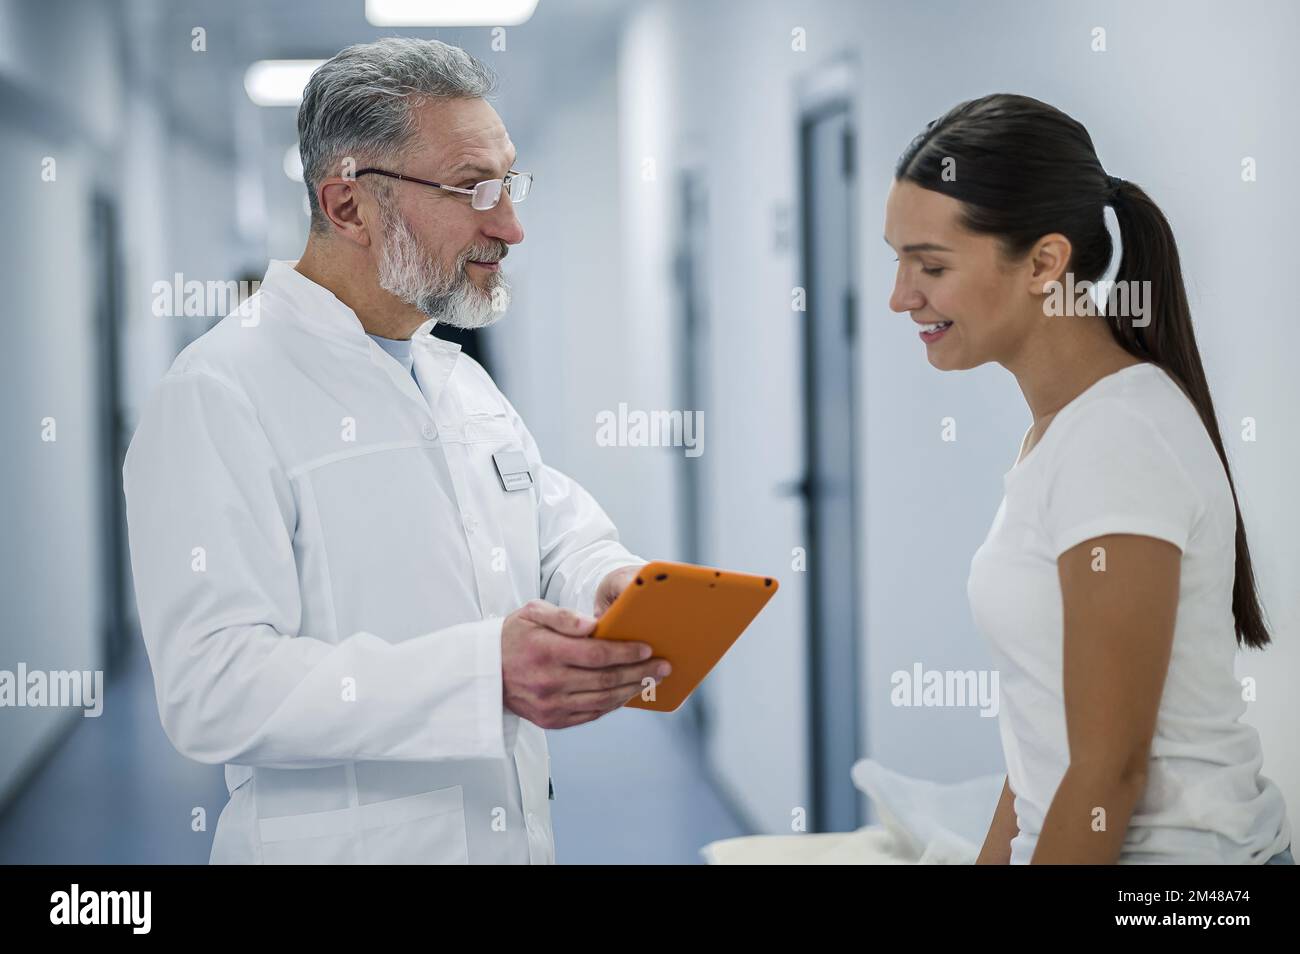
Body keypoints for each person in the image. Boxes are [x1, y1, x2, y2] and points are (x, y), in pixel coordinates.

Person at [122, 37, 670, 865]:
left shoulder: (454, 378)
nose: (511, 225)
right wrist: (481, 671)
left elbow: (554, 527)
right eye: (473, 189)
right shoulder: (218, 393)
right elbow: (211, 688)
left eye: (510, 182)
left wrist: (608, 580)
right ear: (348, 206)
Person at [884, 93, 1292, 864]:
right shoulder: (1067, 427)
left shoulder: (1117, 442)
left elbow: (1108, 773)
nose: (901, 297)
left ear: (1044, 262)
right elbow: (1048, 739)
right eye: (898, 260)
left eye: (930, 266)